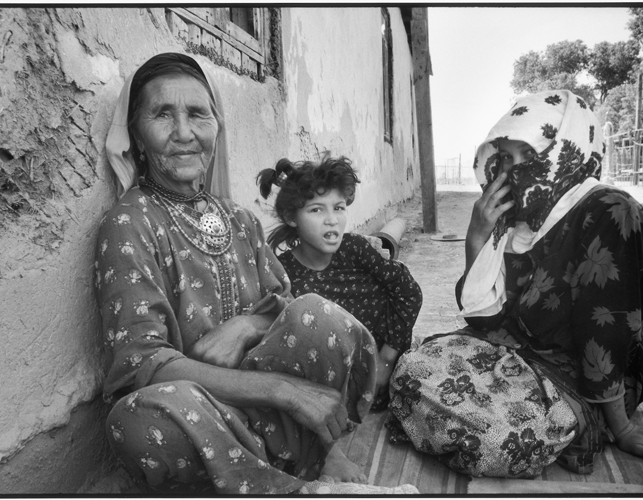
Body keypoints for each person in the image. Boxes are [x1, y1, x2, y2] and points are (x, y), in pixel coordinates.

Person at [96, 52, 418, 495]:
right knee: (136, 421)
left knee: (319, 315)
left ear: (217, 126)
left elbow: (283, 308)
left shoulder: (239, 218)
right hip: (201, 412)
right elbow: (142, 364)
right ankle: (295, 486)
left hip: (260, 415)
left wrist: (247, 325)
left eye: (197, 114)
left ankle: (308, 452)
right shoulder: (130, 222)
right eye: (162, 115)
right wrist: (284, 392)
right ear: (136, 132)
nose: (184, 133)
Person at [386, 90, 643, 479]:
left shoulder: (611, 211)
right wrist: (477, 237)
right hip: (512, 351)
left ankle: (587, 421)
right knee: (410, 371)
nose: (515, 172)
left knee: (498, 438)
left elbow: (608, 329)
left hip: (577, 375)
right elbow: (483, 319)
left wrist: (623, 429)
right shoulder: (525, 211)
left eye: (528, 156)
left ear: (566, 147)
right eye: (509, 159)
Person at [257, 156, 423, 409]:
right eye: (316, 209)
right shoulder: (284, 274)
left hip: (390, 359)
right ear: (292, 218)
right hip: (337, 382)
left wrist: (386, 361)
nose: (332, 219)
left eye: (339, 207)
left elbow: (408, 292)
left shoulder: (355, 250)